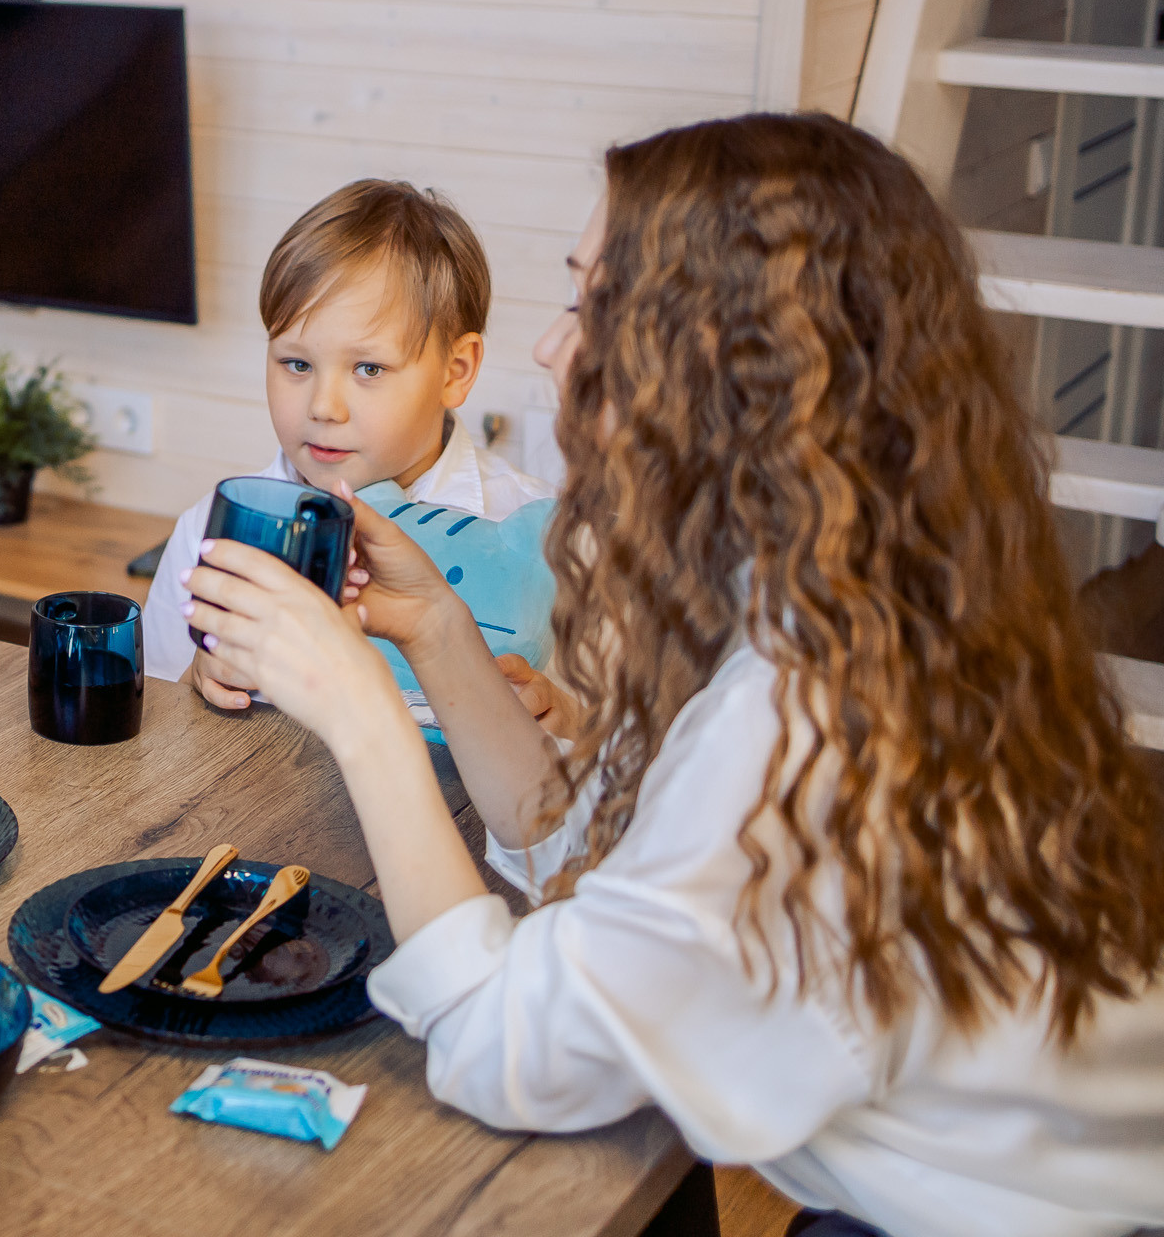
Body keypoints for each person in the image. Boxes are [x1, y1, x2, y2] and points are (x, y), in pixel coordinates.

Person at [182, 114, 1164, 1237]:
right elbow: (604, 851)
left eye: (594, 306)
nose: (551, 348)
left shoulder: (808, 714)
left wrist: (363, 716)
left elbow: (513, 1047)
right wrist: (440, 634)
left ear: (724, 360)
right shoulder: (833, 591)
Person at [140, 180, 555, 715]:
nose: (324, 408)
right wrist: (196, 679)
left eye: (368, 369)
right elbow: (154, 729)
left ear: (456, 371)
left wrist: (556, 717)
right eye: (297, 363)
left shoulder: (541, 543)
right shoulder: (208, 535)